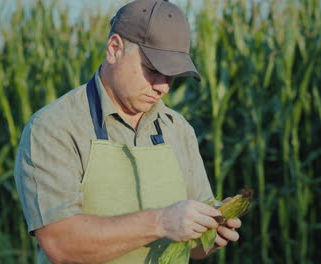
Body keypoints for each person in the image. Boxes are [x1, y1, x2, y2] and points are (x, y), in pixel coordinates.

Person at [13, 0, 241, 263]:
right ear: (114, 49)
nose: (163, 87)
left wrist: (213, 234)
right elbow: (60, 243)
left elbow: (194, 248)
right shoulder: (54, 128)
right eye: (154, 70)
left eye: (172, 75)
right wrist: (161, 222)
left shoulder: (178, 129)